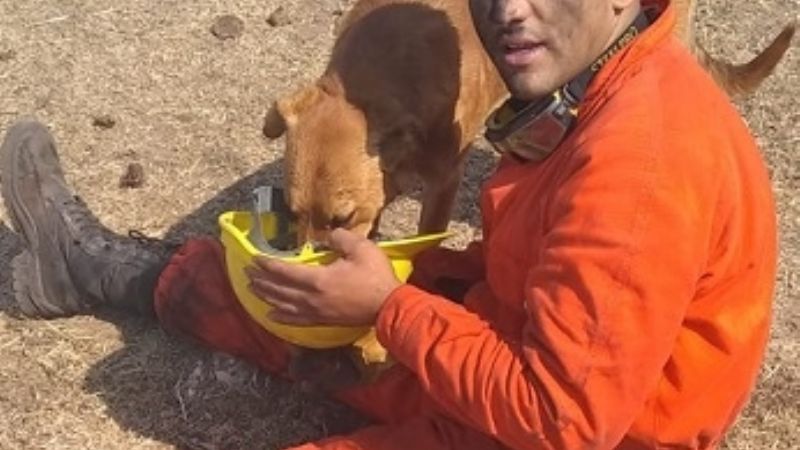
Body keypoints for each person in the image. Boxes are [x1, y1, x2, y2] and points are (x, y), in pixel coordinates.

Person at [0, 0, 778, 448]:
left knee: (345, 316)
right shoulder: (598, 84)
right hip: (518, 355)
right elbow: (558, 281)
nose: (510, 10)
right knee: (292, 297)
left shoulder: (638, 165)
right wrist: (420, 282)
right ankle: (82, 266)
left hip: (568, 432)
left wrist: (391, 309)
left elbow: (564, 418)